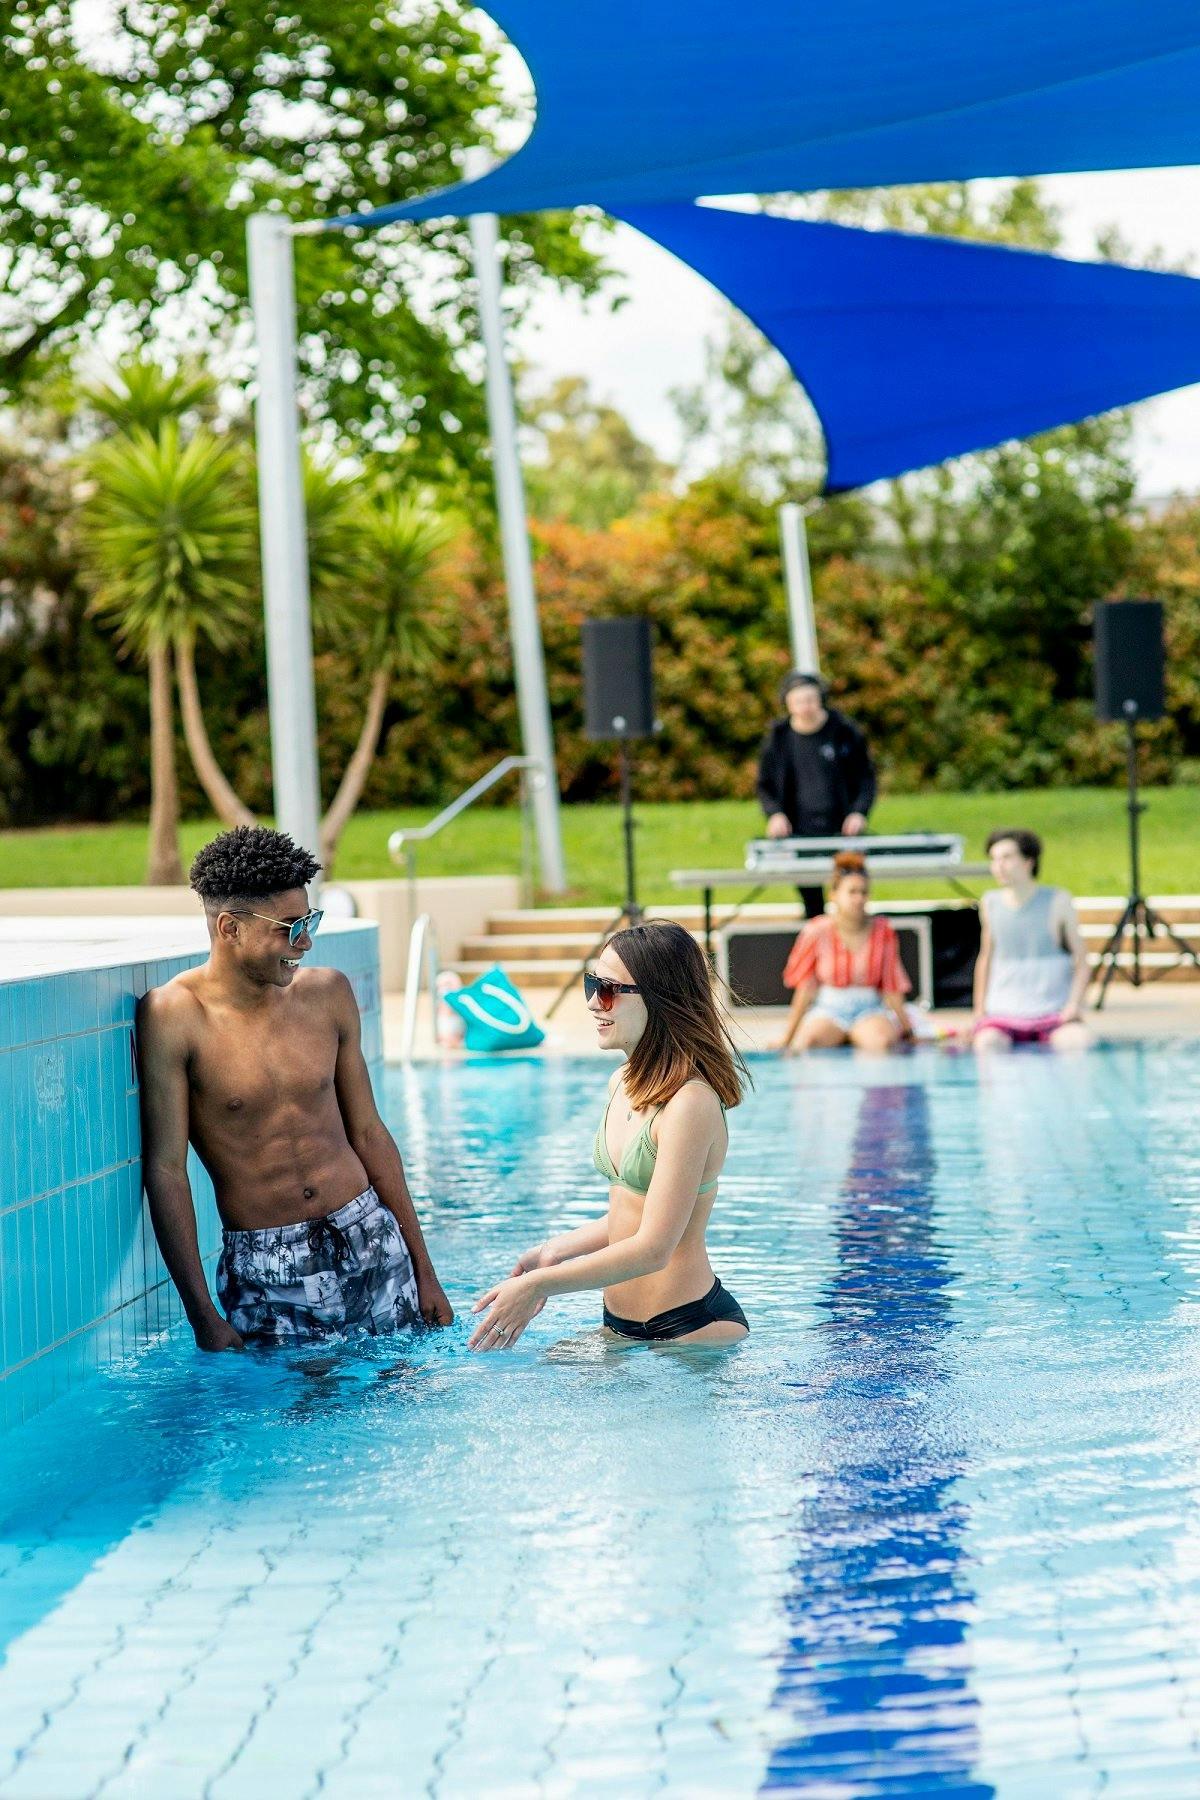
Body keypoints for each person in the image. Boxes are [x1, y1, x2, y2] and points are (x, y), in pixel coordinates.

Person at [138, 826, 453, 1350]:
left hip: (369, 1236)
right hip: (267, 1262)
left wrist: (425, 1270)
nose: (304, 942)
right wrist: (202, 1317)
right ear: (229, 928)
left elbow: (370, 1134)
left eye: (310, 921)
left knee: (402, 1399)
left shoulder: (328, 994)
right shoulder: (175, 1017)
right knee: (297, 1418)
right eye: (289, 927)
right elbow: (167, 1171)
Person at [469, 921, 749, 1351]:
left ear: (660, 998)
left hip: (690, 1327)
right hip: (618, 1327)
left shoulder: (690, 1104)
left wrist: (540, 1285)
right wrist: (554, 1251)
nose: (593, 1003)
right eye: (591, 985)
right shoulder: (622, 1081)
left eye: (609, 990)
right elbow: (632, 1214)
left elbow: (655, 1245)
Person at [756, 671, 877, 919]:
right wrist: (775, 814)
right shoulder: (779, 739)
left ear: (820, 699)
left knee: (848, 893)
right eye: (798, 702)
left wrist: (858, 812)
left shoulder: (844, 732)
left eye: (810, 700)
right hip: (799, 829)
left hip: (841, 829)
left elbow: (866, 777)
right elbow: (765, 784)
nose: (805, 707)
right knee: (812, 903)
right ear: (788, 704)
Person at [774, 851, 913, 1052]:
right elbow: (806, 988)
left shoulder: (883, 931)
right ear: (834, 895)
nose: (858, 899)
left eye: (863, 892)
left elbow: (891, 986)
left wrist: (908, 1031)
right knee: (806, 1044)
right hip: (830, 1008)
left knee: (881, 1044)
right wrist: (788, 1038)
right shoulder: (816, 930)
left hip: (869, 1009)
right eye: (852, 892)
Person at [971, 828, 1092, 1051]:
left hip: (1053, 1011)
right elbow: (986, 957)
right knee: (987, 1044)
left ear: (1028, 862)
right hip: (1003, 1011)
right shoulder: (990, 903)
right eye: (994, 859)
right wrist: (979, 1009)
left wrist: (1074, 1005)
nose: (999, 866)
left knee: (1078, 1043)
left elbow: (1082, 960)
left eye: (1007, 858)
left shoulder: (1058, 900)